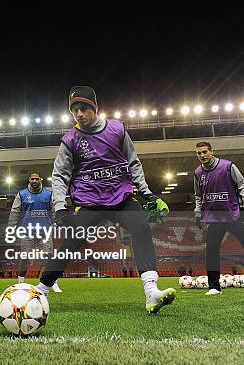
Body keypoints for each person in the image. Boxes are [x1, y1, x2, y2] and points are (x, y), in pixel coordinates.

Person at [37, 86, 176, 314]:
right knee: (72, 242)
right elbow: (60, 175)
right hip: (89, 202)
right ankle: (41, 290)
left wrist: (146, 192)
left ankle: (151, 292)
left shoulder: (117, 129)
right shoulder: (70, 139)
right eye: (75, 111)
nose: (79, 114)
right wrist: (60, 207)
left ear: (95, 107)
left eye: (84, 108)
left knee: (141, 227)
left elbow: (133, 162)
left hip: (122, 198)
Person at [193, 141, 244, 295]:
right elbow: (198, 196)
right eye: (199, 153)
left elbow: (242, 186)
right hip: (214, 218)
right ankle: (214, 287)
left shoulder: (228, 167)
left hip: (233, 214)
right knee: (212, 252)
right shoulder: (197, 173)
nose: (202, 155)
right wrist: (197, 213)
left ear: (211, 151)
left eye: (204, 152)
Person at [7, 172, 62, 292]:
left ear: (41, 180)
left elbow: (54, 212)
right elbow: (15, 211)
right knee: (24, 258)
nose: (35, 181)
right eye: (32, 179)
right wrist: (11, 226)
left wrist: (56, 225)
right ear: (29, 180)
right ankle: (20, 282)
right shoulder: (22, 194)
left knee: (50, 258)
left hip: (44, 231)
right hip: (27, 231)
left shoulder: (49, 194)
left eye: (37, 179)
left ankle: (53, 283)